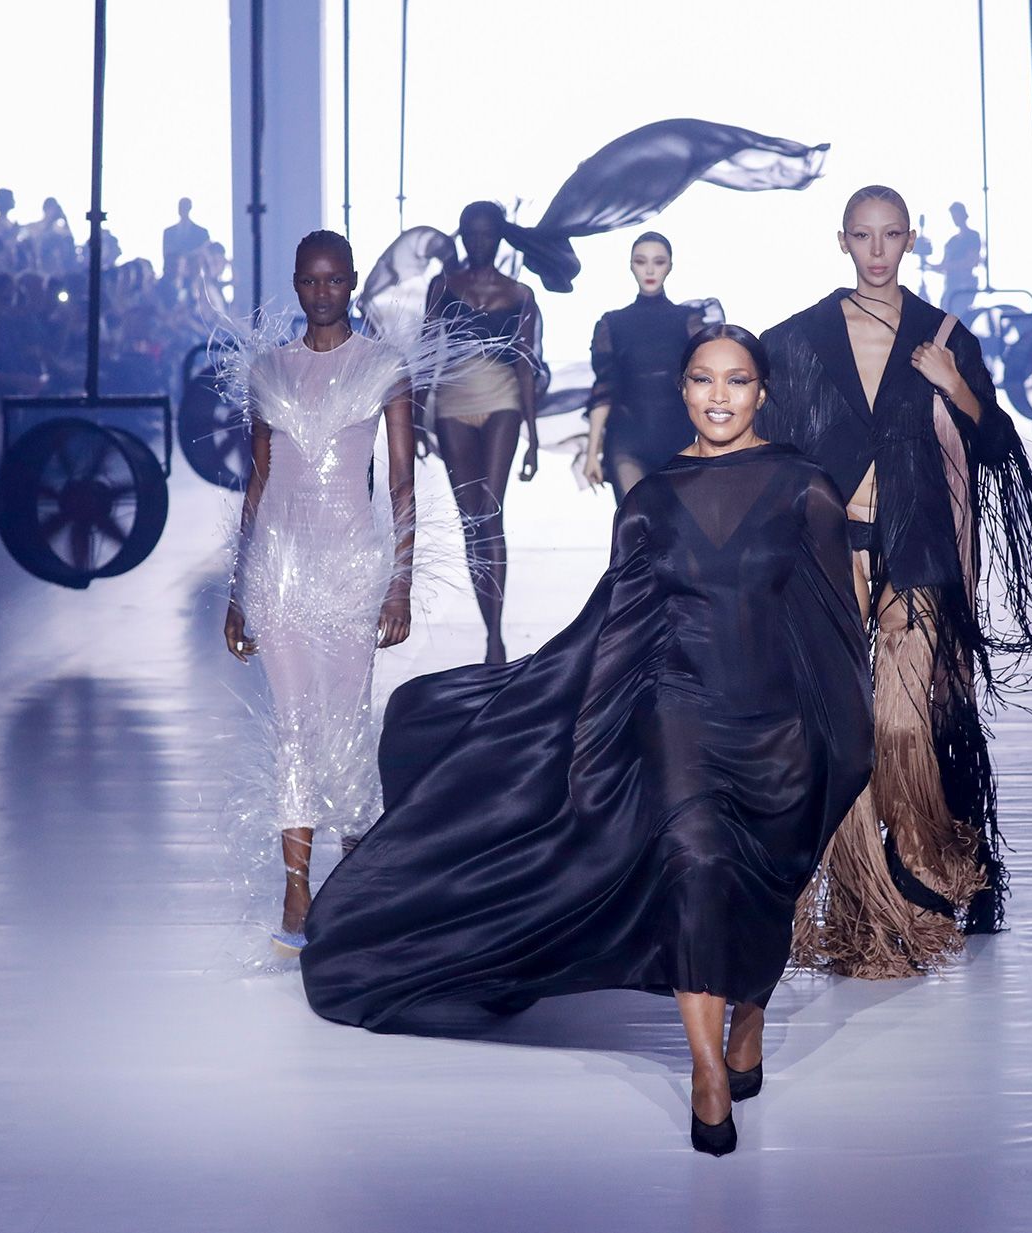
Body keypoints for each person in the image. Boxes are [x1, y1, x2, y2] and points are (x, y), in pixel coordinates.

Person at [301, 325, 872, 1156]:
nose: (719, 397)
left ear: (762, 393)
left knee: (763, 883)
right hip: (679, 712)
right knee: (696, 867)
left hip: (776, 722)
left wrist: (841, 739)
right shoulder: (653, 501)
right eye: (703, 380)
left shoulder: (803, 489)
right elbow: (616, 627)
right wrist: (570, 723)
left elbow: (834, 624)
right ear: (681, 390)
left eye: (737, 381)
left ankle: (747, 1015)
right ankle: (707, 1070)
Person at [761, 185, 1032, 978]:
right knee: (841, 734)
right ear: (842, 241)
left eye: (890, 236)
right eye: (862, 236)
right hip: (828, 554)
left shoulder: (945, 337)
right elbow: (762, 442)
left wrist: (956, 385)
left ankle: (919, 889)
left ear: (909, 240)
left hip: (918, 553)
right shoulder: (798, 338)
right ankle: (859, 908)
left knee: (906, 728)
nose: (877, 251)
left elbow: (994, 445)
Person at [222, 230, 419, 954]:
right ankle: (297, 887)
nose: (323, 293)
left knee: (345, 722)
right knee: (295, 725)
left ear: (354, 282)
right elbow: (259, 481)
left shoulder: (385, 367)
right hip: (280, 565)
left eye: (335, 280)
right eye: (310, 281)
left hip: (351, 567)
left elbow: (400, 484)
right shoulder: (268, 370)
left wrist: (398, 583)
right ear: (296, 284)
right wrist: (238, 589)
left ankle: (359, 879)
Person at [424, 201, 541, 664]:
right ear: (461, 235)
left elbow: (526, 366)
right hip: (452, 402)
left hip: (502, 398)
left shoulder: (521, 294)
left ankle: (495, 638)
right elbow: (426, 352)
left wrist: (532, 436)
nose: (478, 241)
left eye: (487, 233)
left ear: (499, 236)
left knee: (490, 511)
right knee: (471, 519)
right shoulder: (442, 287)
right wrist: (416, 418)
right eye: (470, 233)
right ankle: (488, 624)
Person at [581, 232, 710, 501]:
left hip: (679, 439)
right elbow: (604, 388)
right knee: (636, 527)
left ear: (670, 266)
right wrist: (592, 453)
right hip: (627, 439)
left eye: (659, 261)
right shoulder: (611, 324)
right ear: (630, 265)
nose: (650, 270)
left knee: (675, 534)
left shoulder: (689, 321)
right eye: (641, 261)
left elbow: (707, 383)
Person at [935, 201, 981, 314]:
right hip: (950, 287)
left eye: (957, 215)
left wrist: (949, 266)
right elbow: (944, 264)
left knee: (959, 316)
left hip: (964, 287)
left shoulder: (973, 236)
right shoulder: (952, 241)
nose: (955, 218)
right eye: (953, 216)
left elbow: (971, 261)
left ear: (963, 215)